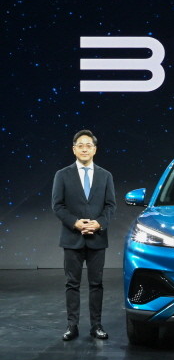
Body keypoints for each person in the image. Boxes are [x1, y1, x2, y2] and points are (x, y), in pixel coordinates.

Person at [52, 130, 116, 341]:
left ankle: (96, 326)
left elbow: (110, 206)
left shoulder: (106, 176)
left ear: (95, 149)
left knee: (96, 284)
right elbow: (57, 205)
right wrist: (75, 223)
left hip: (97, 239)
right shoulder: (62, 175)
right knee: (72, 284)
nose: (85, 149)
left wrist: (99, 223)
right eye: (81, 145)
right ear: (74, 149)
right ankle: (72, 326)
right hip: (72, 238)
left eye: (89, 145)